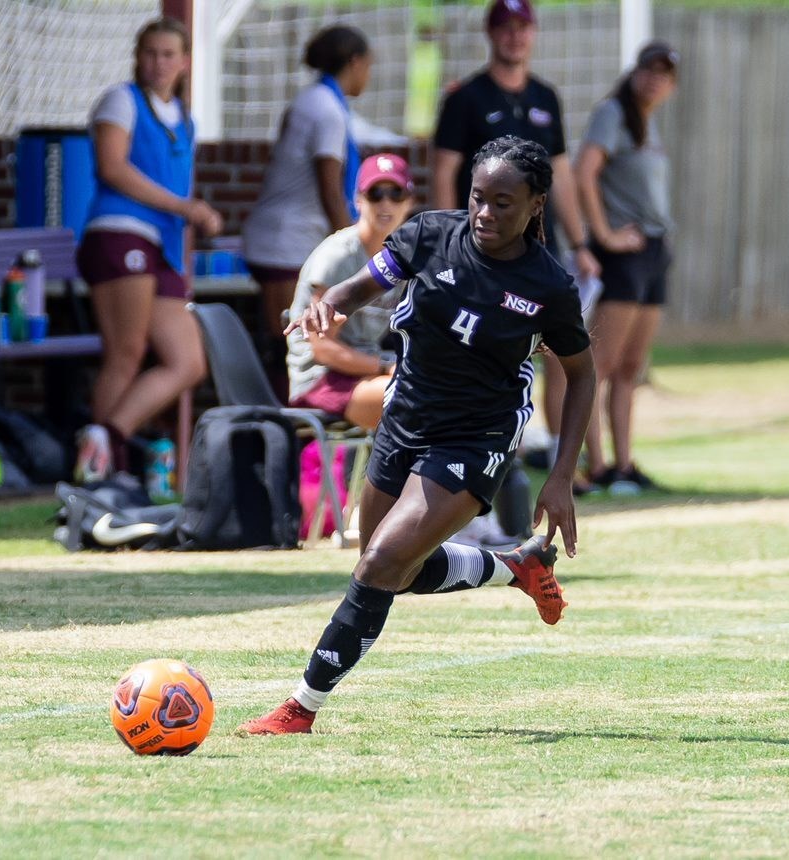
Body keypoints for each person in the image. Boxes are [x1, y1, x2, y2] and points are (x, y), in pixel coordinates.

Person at [239, 136, 596, 736]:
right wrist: (332, 308)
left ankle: (300, 708)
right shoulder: (430, 234)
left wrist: (561, 476)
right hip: (405, 416)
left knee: (380, 563)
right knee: (391, 569)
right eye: (478, 198)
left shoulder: (547, 286)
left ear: (536, 204)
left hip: (475, 436)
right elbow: (360, 285)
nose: (485, 213)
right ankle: (517, 565)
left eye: (503, 203)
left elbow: (583, 375)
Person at [431, 0, 599, 494]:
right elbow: (443, 171)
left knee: (560, 349)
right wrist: (448, 239)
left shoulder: (546, 96)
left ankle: (557, 455)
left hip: (538, 252)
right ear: (490, 34)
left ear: (534, 33)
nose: (514, 37)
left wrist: (582, 241)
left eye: (522, 27)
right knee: (486, 344)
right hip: (481, 250)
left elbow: (563, 173)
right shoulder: (466, 98)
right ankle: (497, 452)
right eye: (505, 27)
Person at [73, 17, 222, 482]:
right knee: (126, 351)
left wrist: (199, 215)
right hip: (119, 234)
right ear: (138, 57)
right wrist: (185, 207)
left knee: (188, 362)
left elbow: (182, 189)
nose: (158, 63)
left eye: (168, 54)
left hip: (164, 248)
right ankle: (101, 473)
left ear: (184, 62)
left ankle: (106, 436)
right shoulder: (121, 101)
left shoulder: (185, 119)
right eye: (150, 53)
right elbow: (112, 168)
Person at [574, 40, 679, 493]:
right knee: (602, 362)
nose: (655, 79)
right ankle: (596, 465)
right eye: (649, 70)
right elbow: (583, 173)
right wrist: (605, 235)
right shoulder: (612, 114)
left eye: (665, 73)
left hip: (654, 251)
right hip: (625, 255)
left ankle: (624, 463)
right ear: (634, 72)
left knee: (631, 365)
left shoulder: (647, 124)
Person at [242, 25, 374, 377]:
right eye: (368, 66)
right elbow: (330, 189)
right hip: (284, 244)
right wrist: (352, 246)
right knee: (289, 341)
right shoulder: (327, 111)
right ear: (355, 62)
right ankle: (279, 428)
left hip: (280, 239)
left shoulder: (312, 100)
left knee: (287, 339)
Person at [286, 153, 416, 432]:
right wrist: (384, 367)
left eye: (396, 194)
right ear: (358, 200)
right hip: (321, 379)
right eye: (375, 194)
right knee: (410, 399)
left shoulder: (402, 257)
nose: (385, 203)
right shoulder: (337, 256)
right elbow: (321, 349)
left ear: (410, 202)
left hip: (366, 374)